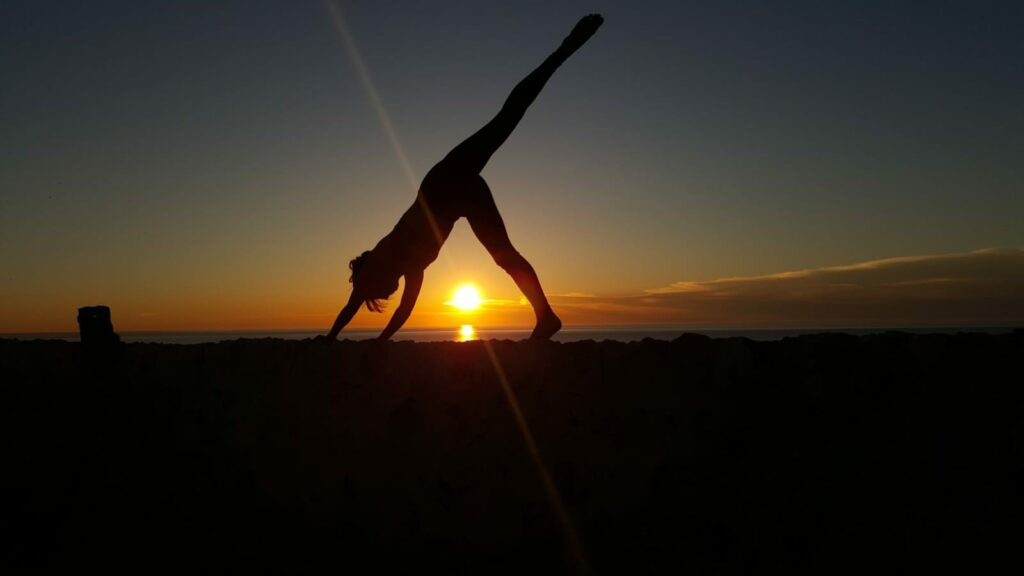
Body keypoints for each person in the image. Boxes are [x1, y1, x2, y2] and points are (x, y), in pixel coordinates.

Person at [323, 14, 604, 341]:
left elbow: (355, 304)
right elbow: (403, 309)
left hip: (444, 182)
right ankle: (546, 316)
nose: (388, 295)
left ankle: (564, 50)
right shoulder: (411, 268)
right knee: (503, 254)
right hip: (463, 196)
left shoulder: (383, 260)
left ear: (370, 282)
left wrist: (334, 338)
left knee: (505, 120)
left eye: (381, 294)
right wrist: (374, 340)